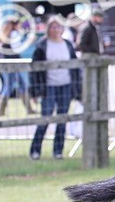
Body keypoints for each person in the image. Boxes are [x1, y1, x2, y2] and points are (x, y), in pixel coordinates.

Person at [29, 17, 81, 160]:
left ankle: (58, 151)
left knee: (62, 119)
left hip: (66, 85)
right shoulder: (42, 46)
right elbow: (34, 70)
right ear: (48, 29)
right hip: (48, 87)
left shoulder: (68, 45)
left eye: (58, 27)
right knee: (45, 118)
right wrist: (34, 92)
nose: (56, 30)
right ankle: (35, 150)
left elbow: (75, 67)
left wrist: (78, 89)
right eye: (53, 27)